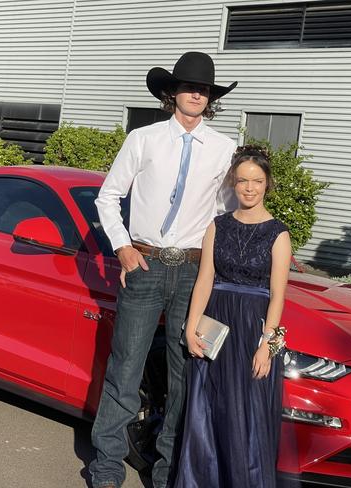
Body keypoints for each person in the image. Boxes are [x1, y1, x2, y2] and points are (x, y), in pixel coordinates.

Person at [90, 51, 238, 488]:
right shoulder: (144, 139)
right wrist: (123, 250)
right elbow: (107, 197)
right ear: (172, 92)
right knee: (125, 369)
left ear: (210, 98)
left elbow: (222, 215)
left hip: (193, 272)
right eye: (189, 86)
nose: (196, 93)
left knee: (183, 376)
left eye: (204, 89)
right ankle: (105, 471)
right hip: (145, 264)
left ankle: (167, 472)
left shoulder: (224, 148)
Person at [174, 145, 292, 488]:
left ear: (267, 183)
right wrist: (191, 328)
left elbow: (278, 297)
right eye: (242, 181)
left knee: (247, 419)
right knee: (207, 413)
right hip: (216, 329)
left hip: (251, 333)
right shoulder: (218, 226)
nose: (249, 188)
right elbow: (204, 280)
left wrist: (267, 346)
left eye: (256, 181)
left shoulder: (278, 234)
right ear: (233, 183)